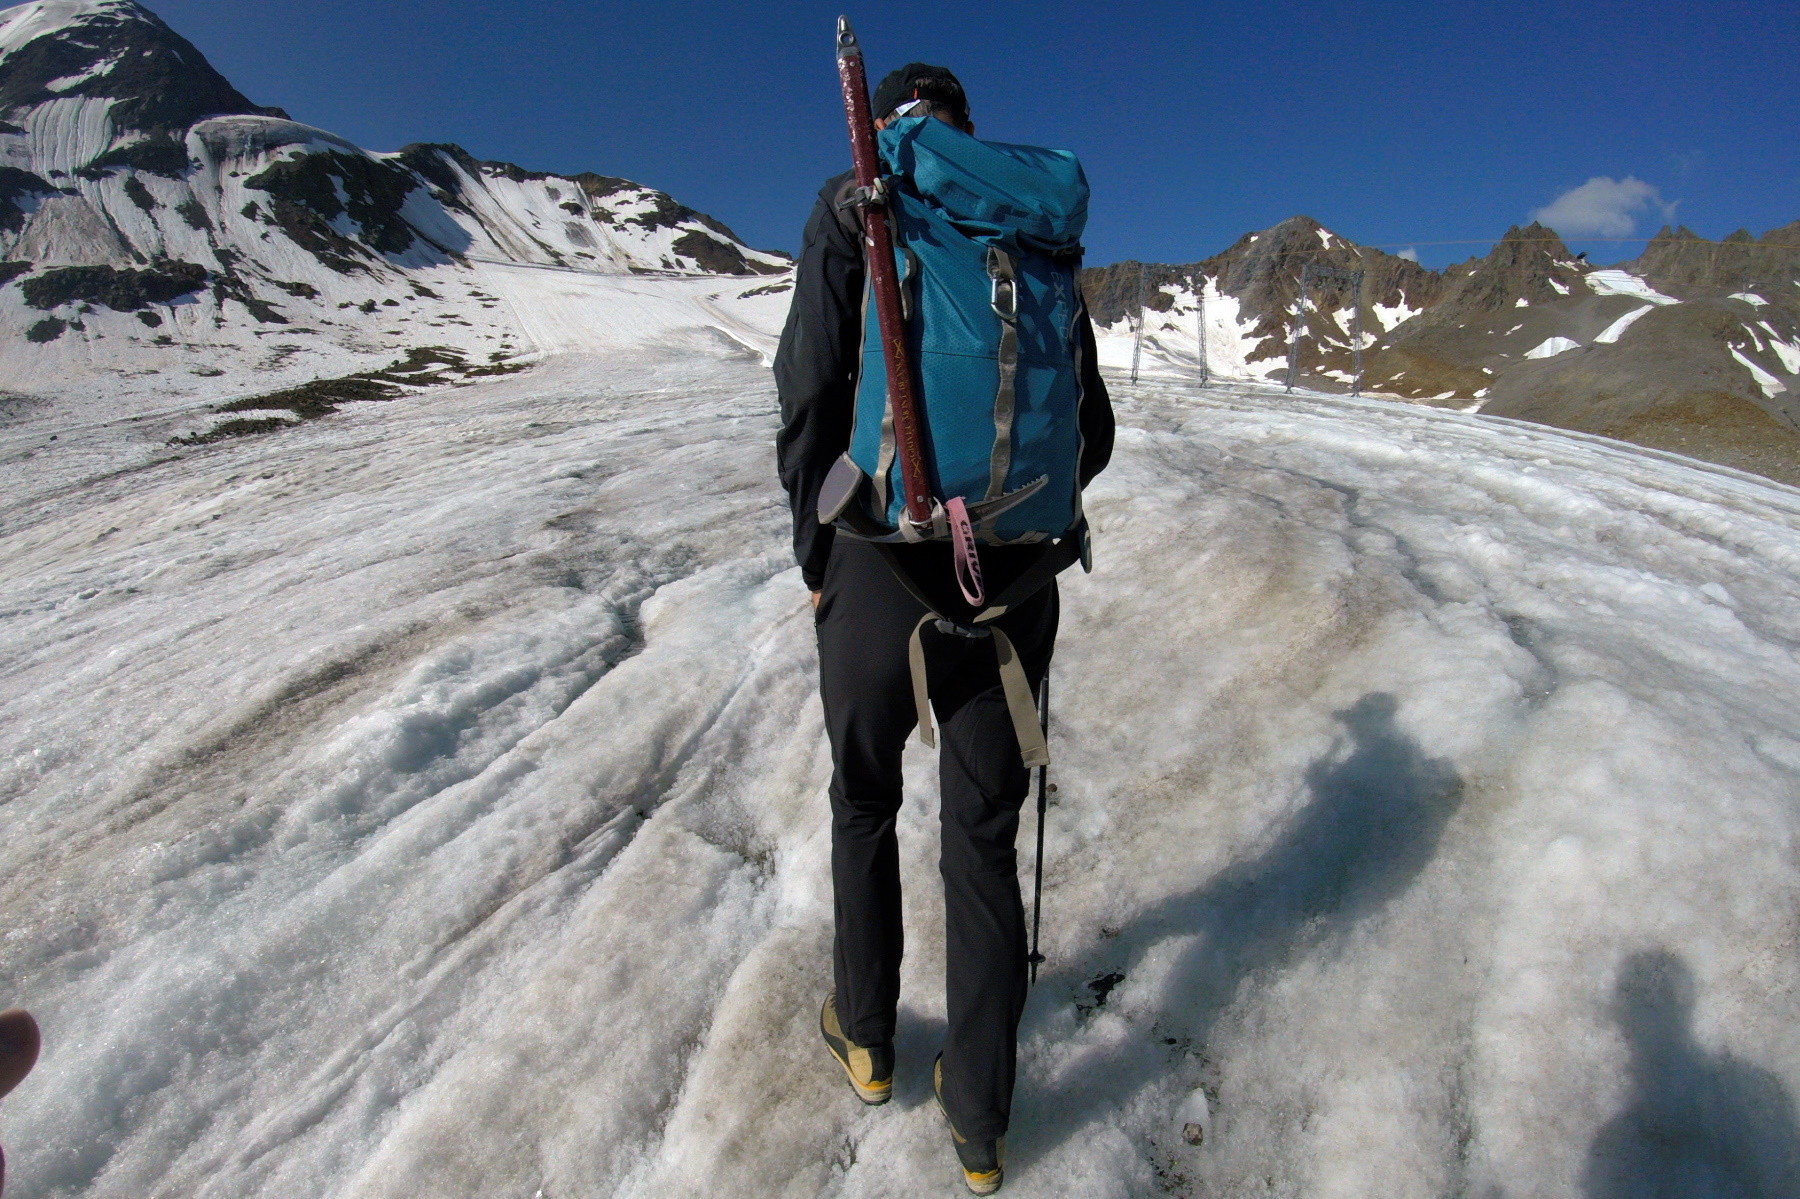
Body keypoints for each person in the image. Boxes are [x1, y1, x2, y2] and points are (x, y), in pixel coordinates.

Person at [775, 62, 1113, 1195]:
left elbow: (809, 390)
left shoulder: (859, 202)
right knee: (982, 836)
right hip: (1014, 584)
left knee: (864, 797)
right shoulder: (1031, 225)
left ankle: (868, 1037)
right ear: (969, 127)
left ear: (887, 123)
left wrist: (819, 556)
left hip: (882, 564)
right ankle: (979, 1122)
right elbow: (1092, 433)